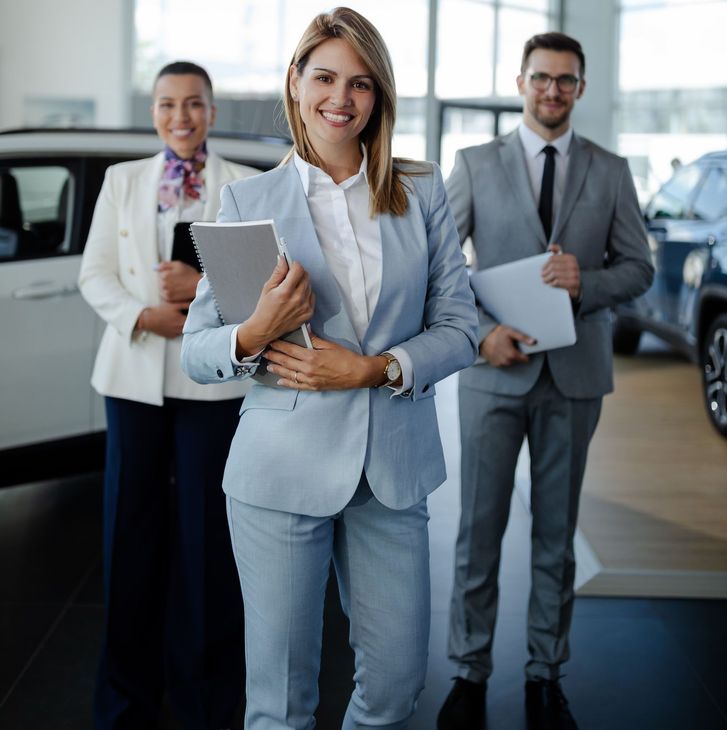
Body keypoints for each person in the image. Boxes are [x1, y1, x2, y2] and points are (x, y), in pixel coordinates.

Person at [181, 7, 479, 729]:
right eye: (324, 77)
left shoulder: (420, 190)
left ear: (379, 97)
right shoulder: (247, 201)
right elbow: (197, 351)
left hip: (392, 470)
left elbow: (461, 328)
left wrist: (374, 368)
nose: (340, 99)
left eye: (361, 83)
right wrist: (256, 329)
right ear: (295, 82)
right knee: (281, 702)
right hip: (279, 470)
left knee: (399, 685)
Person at [437, 33, 654, 730]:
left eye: (565, 81)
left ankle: (544, 673)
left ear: (580, 89)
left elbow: (638, 268)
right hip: (493, 375)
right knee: (477, 532)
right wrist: (480, 334)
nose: (552, 91)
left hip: (574, 376)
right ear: (520, 80)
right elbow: (438, 272)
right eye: (541, 78)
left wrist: (584, 281)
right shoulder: (473, 164)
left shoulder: (610, 169)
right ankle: (468, 673)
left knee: (556, 538)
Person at [79, 61, 258, 730]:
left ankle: (204, 700)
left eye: (193, 104)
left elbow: (255, 290)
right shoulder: (123, 181)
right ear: (153, 111)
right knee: (130, 539)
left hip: (211, 386)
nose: (179, 117)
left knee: (207, 545)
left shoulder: (243, 186)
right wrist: (142, 316)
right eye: (166, 105)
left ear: (212, 111)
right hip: (133, 379)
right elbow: (94, 273)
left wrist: (198, 287)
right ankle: (124, 701)